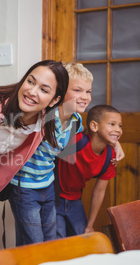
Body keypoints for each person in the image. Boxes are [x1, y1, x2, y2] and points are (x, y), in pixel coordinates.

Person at [0, 60, 68, 265]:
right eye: (30, 81)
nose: (32, 92)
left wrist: (114, 144)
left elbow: (71, 120)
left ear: (54, 100)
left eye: (44, 89)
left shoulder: (42, 122)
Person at [8, 62, 124, 246]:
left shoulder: (75, 121)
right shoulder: (43, 115)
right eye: (78, 90)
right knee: (33, 243)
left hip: (48, 186)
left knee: (51, 242)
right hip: (25, 186)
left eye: (88, 91)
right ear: (60, 92)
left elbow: (68, 153)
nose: (85, 97)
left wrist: (114, 142)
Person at [56, 105, 122, 238]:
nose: (118, 129)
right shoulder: (77, 141)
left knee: (82, 240)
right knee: (57, 242)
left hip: (75, 200)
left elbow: (99, 191)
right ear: (94, 126)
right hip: (53, 198)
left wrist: (90, 225)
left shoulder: (110, 157)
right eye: (112, 124)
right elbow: (61, 123)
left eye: (120, 126)